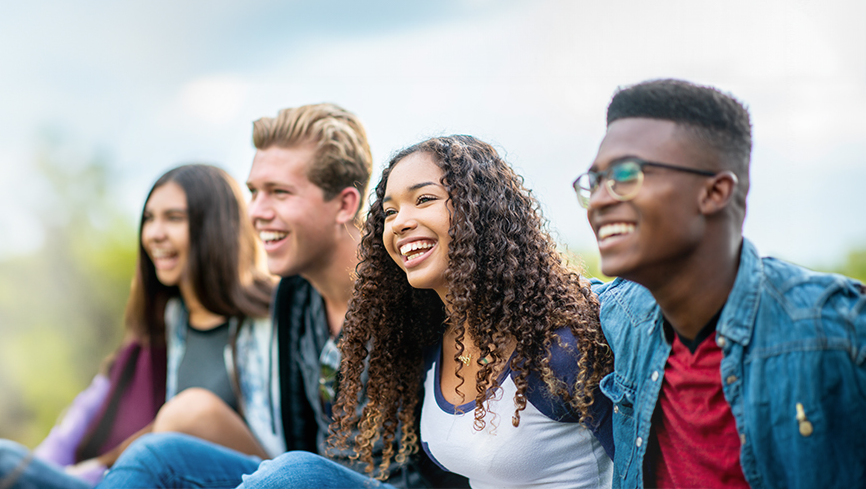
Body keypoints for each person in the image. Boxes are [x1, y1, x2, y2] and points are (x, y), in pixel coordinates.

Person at [99, 105, 460, 488]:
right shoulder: (296, 295)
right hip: (310, 478)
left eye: (279, 193)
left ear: (345, 204)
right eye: (254, 192)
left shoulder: (413, 287)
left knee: (292, 472)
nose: (256, 212)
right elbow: (300, 439)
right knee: (155, 456)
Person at [238, 135, 616, 488]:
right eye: (389, 211)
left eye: (424, 200)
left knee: (292, 476)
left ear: (479, 211)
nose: (400, 222)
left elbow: (644, 468)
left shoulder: (561, 344)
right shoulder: (431, 338)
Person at [579, 79, 866, 487]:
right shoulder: (621, 315)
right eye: (594, 181)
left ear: (715, 192)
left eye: (626, 174)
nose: (600, 199)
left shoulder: (838, 333)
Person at [0, 164, 274, 489]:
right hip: (138, 478)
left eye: (174, 218)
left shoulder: (272, 320)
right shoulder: (167, 329)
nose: (154, 233)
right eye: (149, 219)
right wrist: (42, 475)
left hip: (231, 477)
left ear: (215, 226)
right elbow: (79, 422)